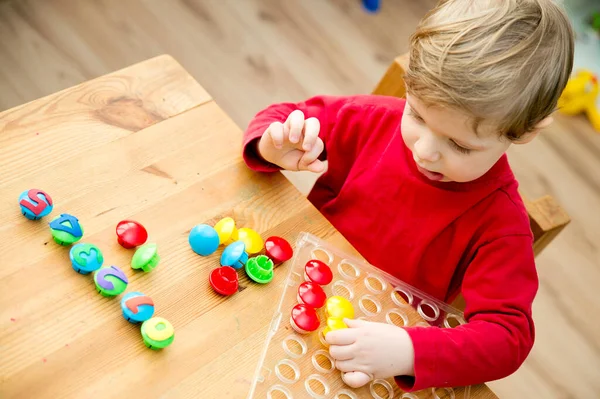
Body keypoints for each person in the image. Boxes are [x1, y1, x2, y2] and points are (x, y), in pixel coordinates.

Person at [242, 0, 574, 392]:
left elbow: (508, 340)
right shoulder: (369, 119)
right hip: (278, 290)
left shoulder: (500, 226)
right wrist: (274, 145)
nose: (425, 151)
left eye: (459, 145)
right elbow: (281, 115)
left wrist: (408, 351)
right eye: (416, 115)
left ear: (526, 132)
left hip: (366, 356)